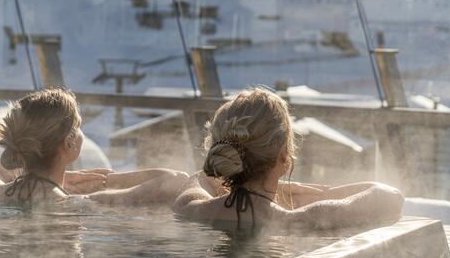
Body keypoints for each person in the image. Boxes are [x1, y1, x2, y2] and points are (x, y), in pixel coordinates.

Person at [173, 87, 404, 230]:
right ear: (284, 156)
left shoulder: (190, 208)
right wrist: (325, 195)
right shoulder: (293, 222)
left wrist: (231, 177)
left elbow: (200, 178)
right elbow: (390, 197)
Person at [0, 87, 187, 206]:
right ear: (69, 143)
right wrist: (107, 181)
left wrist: (53, 176)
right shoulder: (73, 204)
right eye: (79, 126)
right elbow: (176, 180)